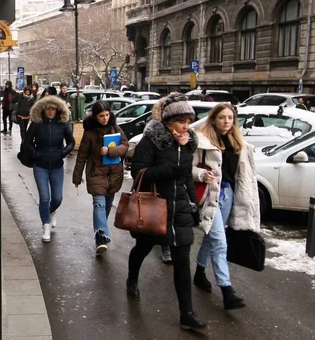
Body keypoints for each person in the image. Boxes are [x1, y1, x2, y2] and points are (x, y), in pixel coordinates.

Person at [127, 93, 208, 331]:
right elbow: (138, 172)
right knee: (142, 248)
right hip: (154, 206)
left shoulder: (189, 143)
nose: (186, 126)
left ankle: (187, 315)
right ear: (169, 121)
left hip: (180, 208)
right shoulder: (151, 141)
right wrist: (167, 170)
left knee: (182, 263)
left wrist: (194, 204)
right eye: (182, 121)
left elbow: (186, 178)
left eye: (188, 121)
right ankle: (132, 279)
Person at [192, 103, 260, 310]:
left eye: (230, 118)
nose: (227, 121)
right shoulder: (202, 141)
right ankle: (227, 290)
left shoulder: (239, 143)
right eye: (222, 117)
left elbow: (244, 175)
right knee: (220, 242)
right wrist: (201, 174)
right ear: (213, 119)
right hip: (210, 195)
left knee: (211, 236)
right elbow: (188, 168)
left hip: (228, 195)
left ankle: (199, 272)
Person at [72, 101, 129, 255]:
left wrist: (111, 150)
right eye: (101, 116)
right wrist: (77, 176)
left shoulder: (116, 128)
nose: (104, 118)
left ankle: (100, 229)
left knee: (107, 206)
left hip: (114, 175)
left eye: (106, 115)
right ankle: (101, 236)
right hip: (96, 174)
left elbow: (125, 145)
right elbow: (82, 156)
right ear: (95, 116)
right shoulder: (90, 133)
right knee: (99, 205)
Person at [25, 96, 75, 243]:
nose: (50, 112)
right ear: (43, 110)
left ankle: (52, 211)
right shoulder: (36, 123)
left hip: (57, 165)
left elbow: (71, 142)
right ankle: (45, 225)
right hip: (40, 165)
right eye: (48, 109)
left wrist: (64, 152)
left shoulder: (63, 124)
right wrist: (36, 154)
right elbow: (27, 142)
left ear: (58, 110)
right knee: (44, 198)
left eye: (53, 109)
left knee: (57, 198)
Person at [14, 86, 35, 150]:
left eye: (28, 91)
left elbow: (33, 106)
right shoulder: (20, 96)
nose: (27, 92)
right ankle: (23, 141)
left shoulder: (31, 98)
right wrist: (16, 95)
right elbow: (14, 101)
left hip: (27, 116)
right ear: (24, 91)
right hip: (20, 115)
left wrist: (31, 113)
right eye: (26, 91)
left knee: (25, 128)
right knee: (22, 128)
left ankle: (25, 140)